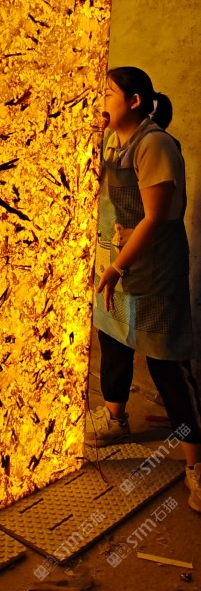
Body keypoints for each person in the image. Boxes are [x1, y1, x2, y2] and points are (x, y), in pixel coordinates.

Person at [86, 66, 201, 513]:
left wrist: (117, 267)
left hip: (151, 269)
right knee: (113, 340)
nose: (100, 101)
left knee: (165, 361)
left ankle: (195, 463)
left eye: (108, 93)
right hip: (117, 261)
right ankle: (116, 419)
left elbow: (154, 218)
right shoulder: (111, 142)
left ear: (134, 101)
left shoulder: (154, 145)